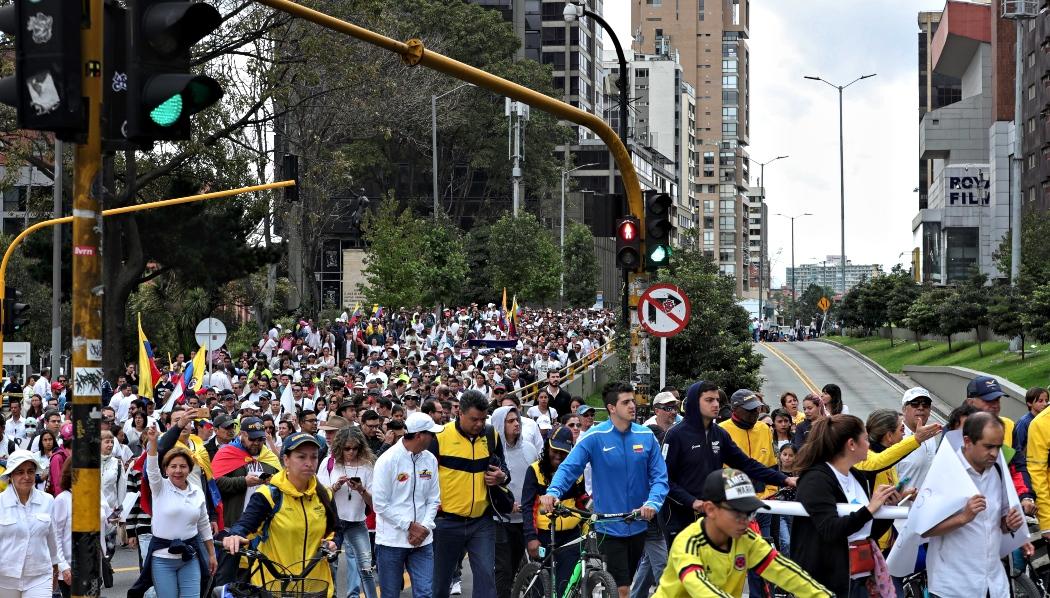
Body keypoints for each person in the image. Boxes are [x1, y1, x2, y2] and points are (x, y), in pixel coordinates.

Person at [540, 382, 668, 598]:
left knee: (628, 580)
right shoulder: (594, 437)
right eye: (625, 402)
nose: (632, 406)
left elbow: (660, 478)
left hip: (638, 523)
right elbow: (569, 468)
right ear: (611, 408)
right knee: (622, 587)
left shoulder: (646, 436)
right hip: (608, 526)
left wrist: (652, 503)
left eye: (632, 401)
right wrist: (553, 492)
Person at [651, 469, 832, 598]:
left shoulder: (746, 538)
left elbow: (784, 570)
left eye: (750, 513)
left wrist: (822, 595)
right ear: (710, 509)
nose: (745, 521)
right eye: (738, 513)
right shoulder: (689, 542)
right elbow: (699, 587)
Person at [662, 381, 791, 543]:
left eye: (717, 400)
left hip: (712, 516)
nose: (716, 404)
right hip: (680, 518)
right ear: (695, 403)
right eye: (709, 400)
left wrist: (785, 479)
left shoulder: (719, 434)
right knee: (686, 566)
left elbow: (747, 464)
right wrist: (692, 501)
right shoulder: (675, 435)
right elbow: (664, 479)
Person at [923, 412, 1034, 598]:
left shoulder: (998, 469)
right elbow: (924, 529)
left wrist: (1009, 524)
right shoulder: (946, 472)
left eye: (998, 447)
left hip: (994, 584)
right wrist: (963, 517)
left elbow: (999, 522)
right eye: (988, 446)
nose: (995, 453)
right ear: (967, 441)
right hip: (954, 587)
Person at [790, 415, 899, 598]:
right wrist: (869, 510)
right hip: (826, 583)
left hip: (859, 578)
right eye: (865, 438)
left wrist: (888, 509)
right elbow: (830, 529)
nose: (869, 445)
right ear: (851, 444)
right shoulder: (815, 480)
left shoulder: (857, 477)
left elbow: (867, 533)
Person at [220, 432, 338, 596]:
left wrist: (332, 543)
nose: (309, 463)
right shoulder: (269, 495)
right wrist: (234, 536)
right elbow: (245, 525)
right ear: (286, 460)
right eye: (302, 457)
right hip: (274, 587)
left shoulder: (325, 495)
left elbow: (336, 529)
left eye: (314, 457)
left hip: (315, 587)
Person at [429, 390, 511, 598]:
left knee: (486, 581)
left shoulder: (491, 435)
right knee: (439, 584)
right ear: (460, 414)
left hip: (481, 522)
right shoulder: (439, 438)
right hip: (446, 522)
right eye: (474, 419)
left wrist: (501, 477)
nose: (479, 424)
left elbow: (505, 471)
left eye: (483, 419)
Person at [128, 426, 216, 598]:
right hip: (162, 559)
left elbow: (204, 524)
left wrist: (212, 554)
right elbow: (152, 467)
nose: (178, 470)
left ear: (189, 469)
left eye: (183, 466)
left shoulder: (197, 491)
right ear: (166, 469)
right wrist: (153, 443)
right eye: (173, 466)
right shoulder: (159, 487)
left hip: (190, 557)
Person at [372, 412, 442, 598]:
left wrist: (424, 528)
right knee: (390, 594)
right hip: (391, 541)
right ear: (419, 435)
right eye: (431, 434)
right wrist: (410, 526)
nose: (434, 438)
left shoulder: (430, 459)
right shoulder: (387, 460)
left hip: (423, 541)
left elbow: (434, 499)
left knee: (425, 593)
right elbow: (380, 504)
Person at [718, 389, 781, 598]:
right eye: (749, 411)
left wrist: (773, 491)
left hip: (762, 504)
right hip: (732, 508)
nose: (755, 414)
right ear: (736, 410)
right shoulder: (721, 431)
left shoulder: (764, 429)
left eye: (757, 410)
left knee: (759, 561)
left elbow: (772, 465)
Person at [521, 426, 585, 595]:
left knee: (566, 587)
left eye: (563, 452)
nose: (558, 455)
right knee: (540, 588)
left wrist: (586, 531)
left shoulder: (577, 473)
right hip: (544, 536)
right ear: (547, 446)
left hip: (571, 536)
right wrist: (531, 538)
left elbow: (581, 503)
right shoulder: (534, 470)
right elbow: (527, 507)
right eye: (554, 450)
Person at [317, 426, 378, 598]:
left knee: (366, 567)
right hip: (331, 522)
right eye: (347, 448)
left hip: (357, 523)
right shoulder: (329, 463)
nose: (351, 452)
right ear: (339, 447)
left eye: (355, 448)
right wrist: (335, 487)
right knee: (329, 566)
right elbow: (319, 496)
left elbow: (374, 504)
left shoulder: (367, 466)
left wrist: (361, 490)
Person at [0, 450, 70, 598]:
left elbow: (52, 537)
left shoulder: (47, 500)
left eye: (30, 471)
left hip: (39, 575)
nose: (26, 477)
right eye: (20, 472)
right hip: (4, 577)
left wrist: (56, 566)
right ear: (11, 476)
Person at [490, 406, 539, 597]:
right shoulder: (492, 453)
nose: (516, 423)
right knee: (503, 569)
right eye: (510, 421)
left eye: (517, 419)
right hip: (500, 520)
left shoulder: (530, 449)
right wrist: (508, 505)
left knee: (527, 568)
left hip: (526, 520)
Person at [896, 387, 938, 490]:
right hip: (900, 505)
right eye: (915, 403)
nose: (921, 408)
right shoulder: (896, 437)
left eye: (926, 404)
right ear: (904, 409)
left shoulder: (930, 435)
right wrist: (901, 495)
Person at [1014, 386, 1048, 461]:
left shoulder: (1046, 420)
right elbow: (1017, 446)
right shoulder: (1024, 422)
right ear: (1029, 403)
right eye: (1040, 401)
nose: (1045, 404)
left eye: (1046, 400)